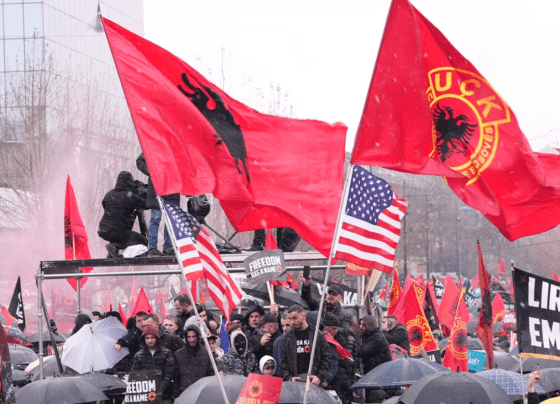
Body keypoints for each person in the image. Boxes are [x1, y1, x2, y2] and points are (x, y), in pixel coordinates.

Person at [136, 153, 180, 257]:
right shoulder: (155, 146)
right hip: (159, 189)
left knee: (169, 221)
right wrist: (151, 172)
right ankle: (154, 248)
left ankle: (166, 248)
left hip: (171, 189)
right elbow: (139, 161)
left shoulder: (175, 147)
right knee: (157, 219)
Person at [98, 171, 147, 258]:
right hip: (117, 231)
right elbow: (145, 204)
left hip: (103, 230)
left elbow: (107, 207)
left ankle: (112, 252)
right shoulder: (130, 196)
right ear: (129, 183)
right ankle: (116, 246)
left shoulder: (109, 194)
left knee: (121, 236)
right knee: (143, 240)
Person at [279, 304, 331, 386]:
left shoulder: (317, 335)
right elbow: (283, 361)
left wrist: (320, 377)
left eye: (295, 318)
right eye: (290, 319)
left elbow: (326, 357)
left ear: (304, 316)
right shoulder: (288, 337)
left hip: (314, 379)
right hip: (295, 381)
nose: (292, 322)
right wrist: (289, 378)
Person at [131, 325, 175, 404]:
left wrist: (159, 390)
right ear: (144, 339)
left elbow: (169, 375)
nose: (150, 340)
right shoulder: (138, 355)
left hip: (164, 396)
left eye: (152, 337)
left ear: (157, 338)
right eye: (147, 338)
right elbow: (135, 375)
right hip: (146, 396)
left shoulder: (167, 353)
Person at [173, 325, 214, 398]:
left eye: (194, 336)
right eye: (189, 337)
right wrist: (176, 396)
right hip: (184, 394)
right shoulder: (178, 354)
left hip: (201, 394)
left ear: (198, 337)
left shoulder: (207, 354)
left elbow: (210, 376)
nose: (191, 339)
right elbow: (176, 378)